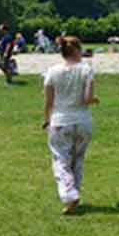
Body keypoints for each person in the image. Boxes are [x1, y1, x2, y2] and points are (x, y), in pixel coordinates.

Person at [42, 36, 99, 215]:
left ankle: (69, 195)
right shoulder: (86, 70)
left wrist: (46, 119)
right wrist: (95, 100)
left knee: (61, 161)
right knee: (77, 160)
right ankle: (74, 194)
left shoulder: (52, 71)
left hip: (60, 120)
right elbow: (87, 98)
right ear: (76, 50)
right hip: (82, 121)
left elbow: (48, 102)